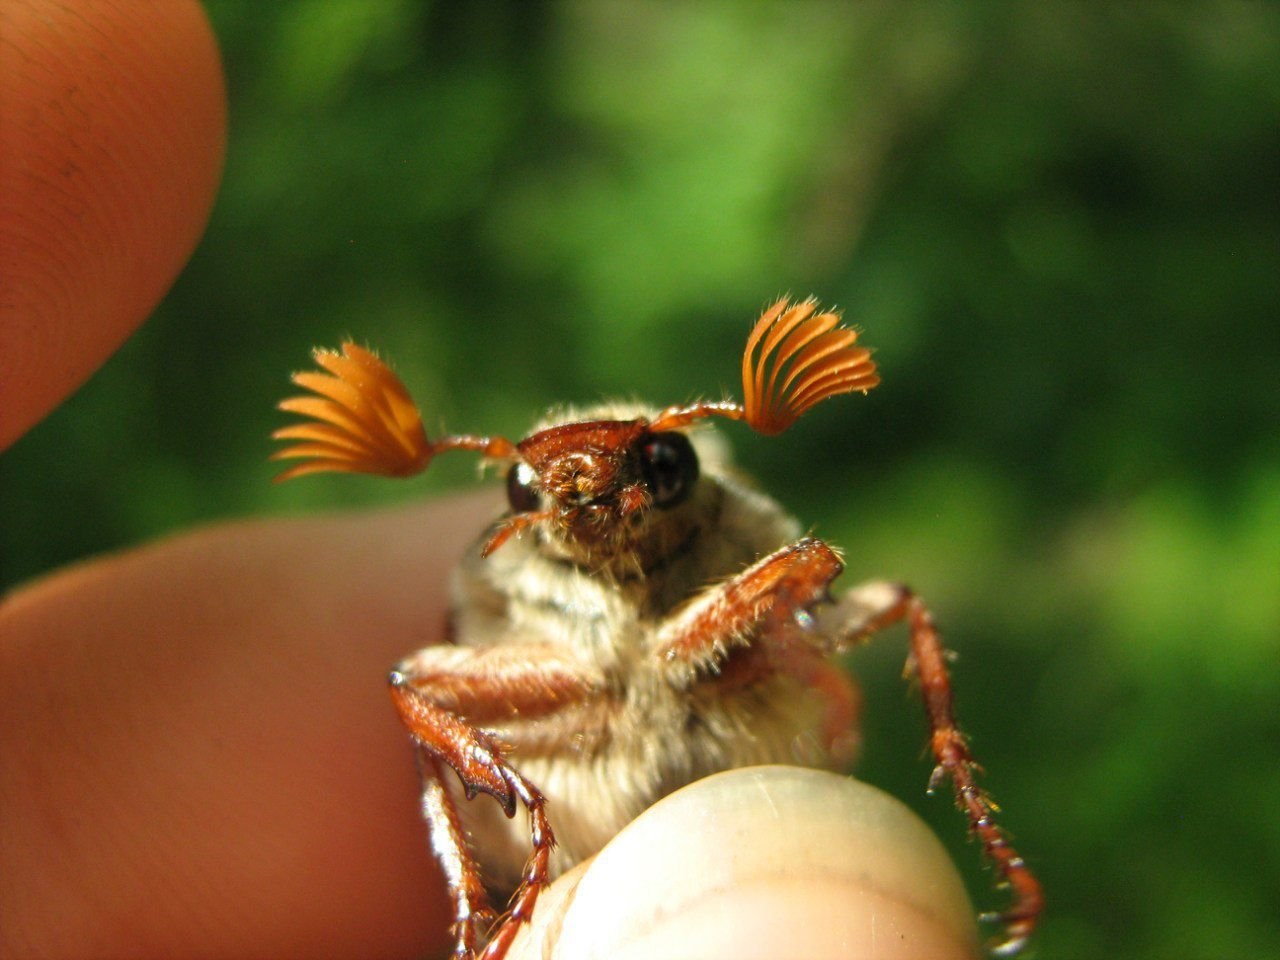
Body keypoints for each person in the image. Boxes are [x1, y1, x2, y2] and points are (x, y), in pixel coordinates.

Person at [0, 2, 979, 957]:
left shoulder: (732, 528)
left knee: (883, 602)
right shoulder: (507, 580)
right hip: (557, 776)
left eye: (653, 468)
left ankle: (959, 781)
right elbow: (431, 689)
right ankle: (482, 898)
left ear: (679, 466)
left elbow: (816, 573)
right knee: (420, 689)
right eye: (536, 493)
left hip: (746, 723)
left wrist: (782, 604)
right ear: (518, 503)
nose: (599, 509)